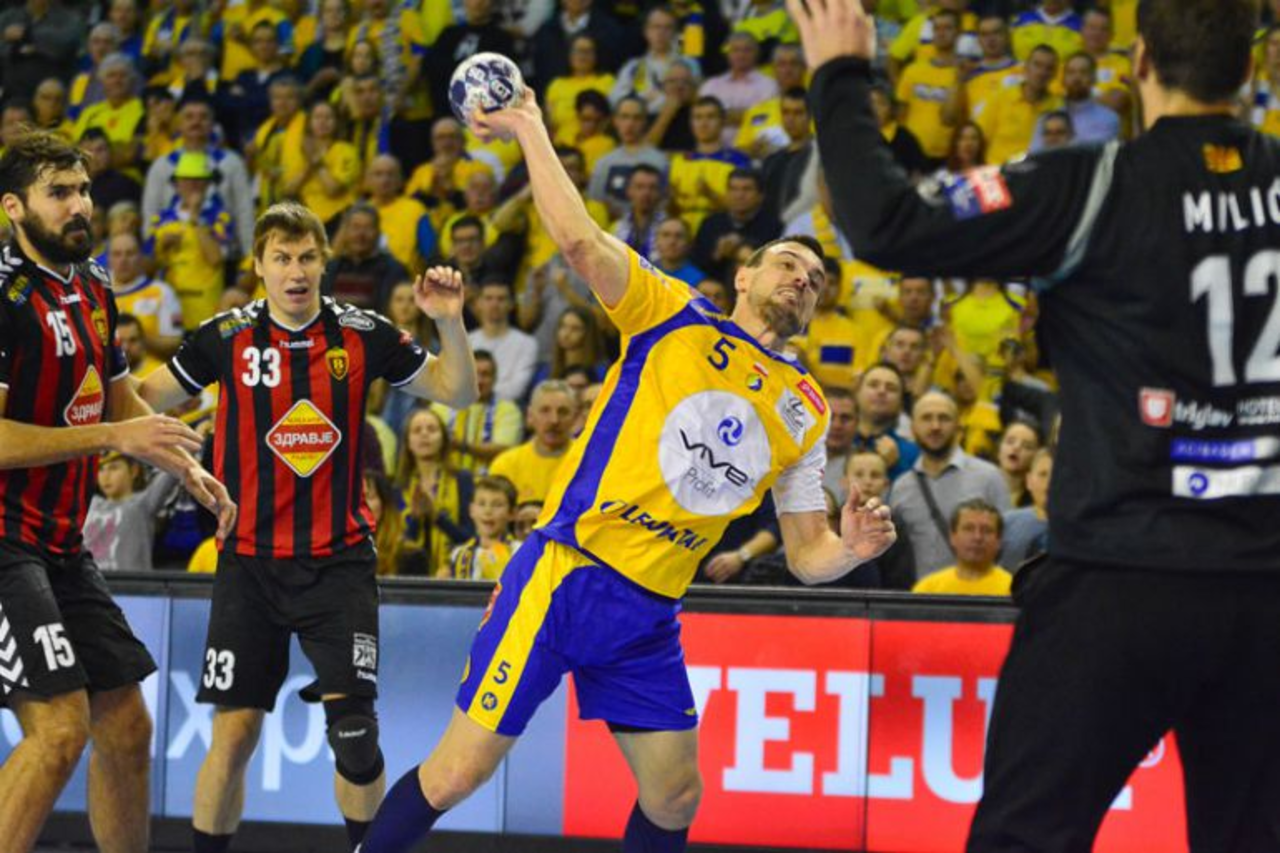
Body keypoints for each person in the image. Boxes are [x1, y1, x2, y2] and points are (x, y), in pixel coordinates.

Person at [355, 85, 896, 853]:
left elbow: (809, 555)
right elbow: (580, 242)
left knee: (675, 796)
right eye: (788, 261)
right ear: (743, 277)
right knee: (456, 774)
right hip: (566, 576)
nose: (803, 277)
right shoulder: (671, 313)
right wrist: (530, 127)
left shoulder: (806, 409)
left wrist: (852, 550)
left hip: (648, 613)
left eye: (815, 277)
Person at [792, 0, 1280, 848]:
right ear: (1251, 68)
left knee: (1025, 835)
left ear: (1138, 62)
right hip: (1264, 588)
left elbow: (885, 222)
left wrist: (839, 74)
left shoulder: (1089, 183)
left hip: (1117, 579)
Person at [136, 201, 477, 853]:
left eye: (307, 257)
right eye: (282, 258)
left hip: (338, 564)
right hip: (248, 564)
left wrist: (449, 322)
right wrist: (175, 459)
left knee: (356, 735)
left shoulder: (363, 332)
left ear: (325, 263)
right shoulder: (224, 336)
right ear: (258, 266)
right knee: (234, 735)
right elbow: (140, 402)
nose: (295, 271)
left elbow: (457, 392)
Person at [0, 129, 234, 853]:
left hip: (59, 543)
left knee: (128, 727)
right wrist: (112, 436)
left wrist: (180, 463)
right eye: (58, 193)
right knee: (58, 731)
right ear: (13, 207)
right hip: (3, 540)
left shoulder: (95, 282)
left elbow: (118, 397)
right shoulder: (3, 296)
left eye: (83, 190)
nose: (79, 205)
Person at [82, 453, 179, 571]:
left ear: (133, 471)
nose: (105, 476)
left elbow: (175, 466)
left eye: (114, 468)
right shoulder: (90, 504)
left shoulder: (143, 503)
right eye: (101, 469)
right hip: (90, 580)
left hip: (130, 582)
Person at [911, 498, 1011, 596]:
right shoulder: (928, 589)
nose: (977, 537)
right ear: (952, 537)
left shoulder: (1012, 589)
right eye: (968, 529)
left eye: (986, 530)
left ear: (999, 540)